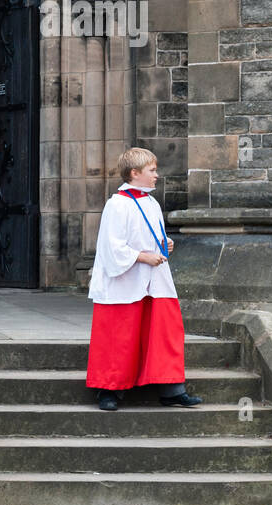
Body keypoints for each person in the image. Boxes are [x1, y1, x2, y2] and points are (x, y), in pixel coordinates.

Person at [86, 147, 201, 411]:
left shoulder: (151, 202)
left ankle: (172, 389)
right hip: (125, 280)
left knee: (164, 333)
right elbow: (111, 247)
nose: (157, 175)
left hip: (154, 279)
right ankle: (109, 391)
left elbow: (148, 236)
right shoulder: (117, 205)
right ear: (135, 173)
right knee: (119, 335)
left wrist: (164, 244)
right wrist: (143, 257)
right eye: (152, 170)